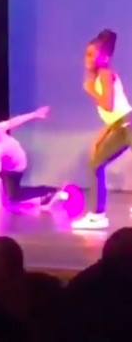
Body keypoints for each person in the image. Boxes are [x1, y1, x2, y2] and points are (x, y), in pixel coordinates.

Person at [72, 29, 132, 229]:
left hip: (128, 124)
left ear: (104, 57)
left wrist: (90, 90)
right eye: (86, 54)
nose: (87, 58)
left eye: (92, 54)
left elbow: (108, 105)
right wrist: (99, 138)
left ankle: (97, 215)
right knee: (96, 164)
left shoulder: (105, 75)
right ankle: (96, 216)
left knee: (96, 165)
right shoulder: (99, 77)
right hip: (121, 126)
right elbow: (112, 117)